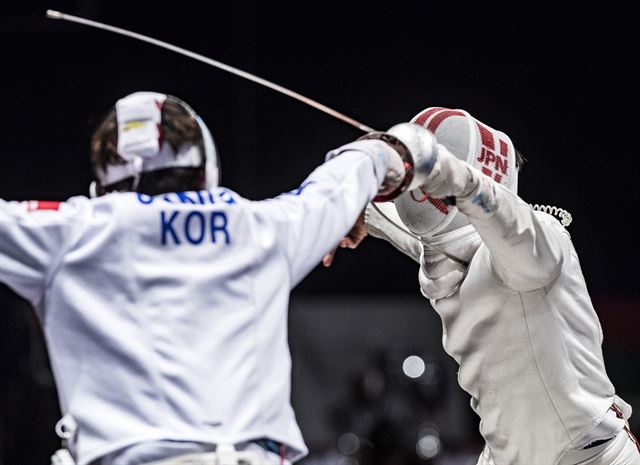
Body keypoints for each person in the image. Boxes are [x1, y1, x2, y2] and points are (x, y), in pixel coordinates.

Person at [0, 91, 420, 465]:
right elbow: (355, 170)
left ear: (105, 181)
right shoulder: (262, 227)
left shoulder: (73, 231)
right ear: (206, 168)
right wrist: (391, 152)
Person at [325, 107, 640, 465]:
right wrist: (355, 208)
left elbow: (507, 224)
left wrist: (450, 173)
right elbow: (408, 230)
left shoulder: (540, 242)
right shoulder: (445, 252)